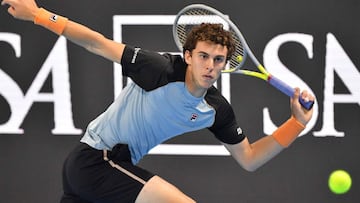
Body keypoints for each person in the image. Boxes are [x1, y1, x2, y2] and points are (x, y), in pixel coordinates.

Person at [2, 0, 315, 202]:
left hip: (102, 178)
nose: (210, 65)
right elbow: (97, 44)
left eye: (218, 60)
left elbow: (249, 158)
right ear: (188, 55)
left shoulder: (216, 110)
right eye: (203, 56)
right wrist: (40, 16)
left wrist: (296, 123)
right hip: (96, 161)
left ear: (226, 64)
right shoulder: (160, 69)